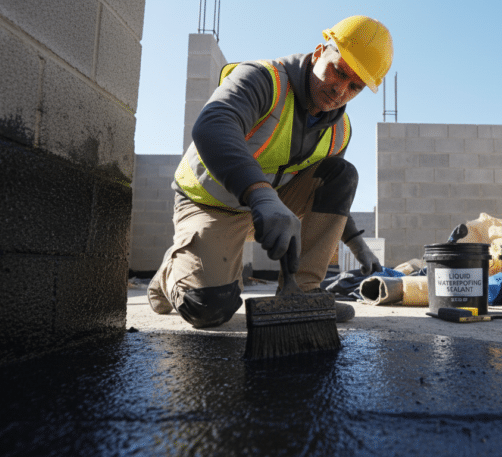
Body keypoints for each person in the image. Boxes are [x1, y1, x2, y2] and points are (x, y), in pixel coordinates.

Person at [147, 16, 393, 328]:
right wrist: (261, 194)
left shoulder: (339, 130)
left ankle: (303, 292)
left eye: (354, 86)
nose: (339, 89)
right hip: (210, 202)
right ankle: (170, 273)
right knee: (209, 307)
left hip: (271, 208)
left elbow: (330, 194)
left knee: (341, 173)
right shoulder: (264, 79)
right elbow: (213, 125)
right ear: (319, 52)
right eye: (339, 71)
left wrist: (357, 243)